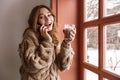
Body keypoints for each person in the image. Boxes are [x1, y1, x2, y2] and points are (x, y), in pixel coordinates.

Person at [18, 5, 76, 80]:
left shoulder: (53, 35)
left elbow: (63, 65)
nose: (48, 19)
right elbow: (32, 65)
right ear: (36, 21)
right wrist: (47, 42)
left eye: (49, 15)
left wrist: (66, 43)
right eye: (41, 17)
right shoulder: (30, 35)